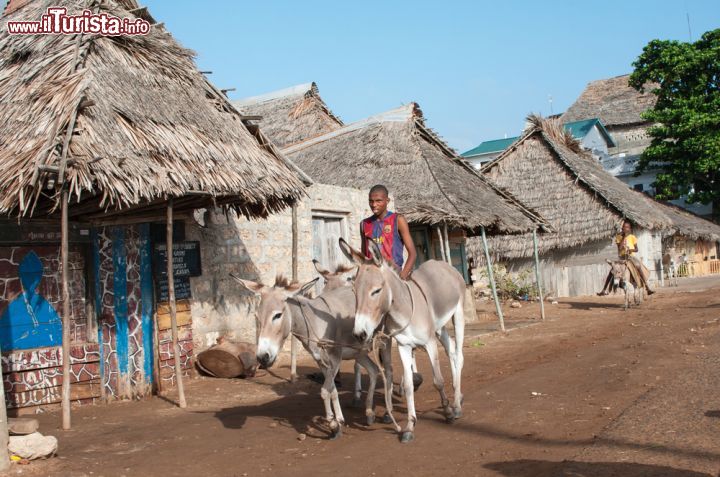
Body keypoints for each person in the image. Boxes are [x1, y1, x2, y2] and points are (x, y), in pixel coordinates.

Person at [360, 184, 417, 280]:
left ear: (387, 201)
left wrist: (402, 277)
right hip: (372, 277)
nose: (374, 205)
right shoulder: (364, 224)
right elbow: (364, 256)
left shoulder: (398, 220)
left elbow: (413, 254)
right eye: (371, 201)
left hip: (393, 276)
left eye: (378, 201)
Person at [598, 220, 655, 295]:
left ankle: (647, 287)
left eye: (627, 227)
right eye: (624, 227)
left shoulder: (632, 237)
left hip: (630, 257)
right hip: (621, 258)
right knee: (612, 270)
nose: (626, 229)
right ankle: (604, 289)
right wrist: (623, 237)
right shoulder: (618, 237)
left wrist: (630, 249)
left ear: (630, 229)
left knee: (638, 266)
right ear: (622, 228)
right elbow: (620, 249)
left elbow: (636, 249)